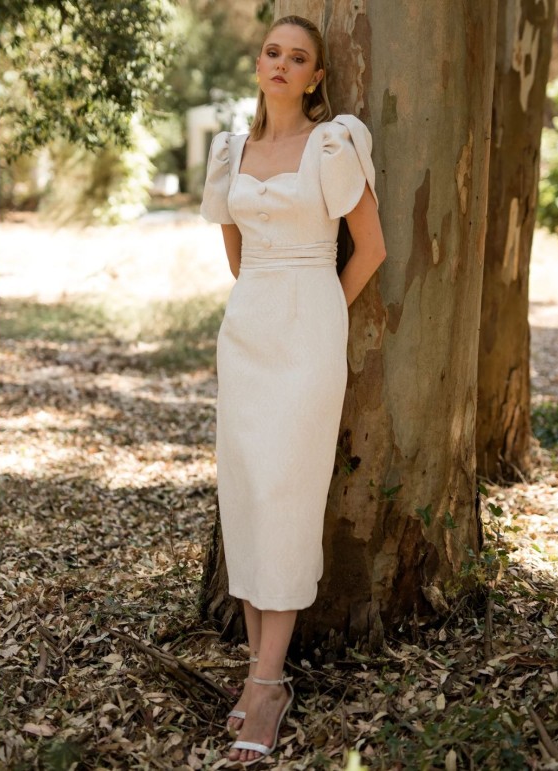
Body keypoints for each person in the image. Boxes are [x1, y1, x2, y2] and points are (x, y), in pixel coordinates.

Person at [200, 14, 386, 767]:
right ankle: (261, 672)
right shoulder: (231, 151)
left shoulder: (333, 142)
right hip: (246, 332)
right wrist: (272, 302)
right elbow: (238, 259)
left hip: (309, 331)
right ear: (260, 64)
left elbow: (369, 249)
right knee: (245, 491)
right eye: (272, 52)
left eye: (297, 57)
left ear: (316, 76)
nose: (280, 64)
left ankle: (268, 682)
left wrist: (320, 316)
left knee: (286, 494)